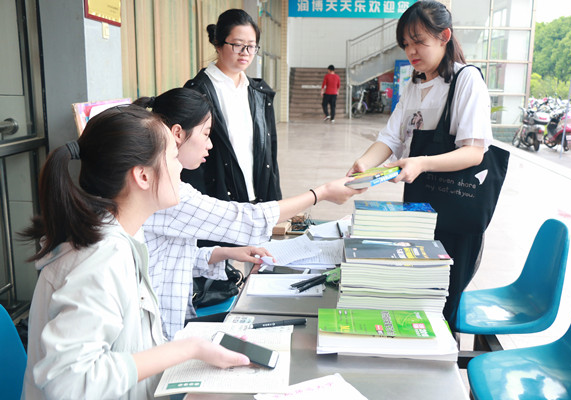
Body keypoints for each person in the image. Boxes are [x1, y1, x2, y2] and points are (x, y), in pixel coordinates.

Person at [20, 106, 250, 399]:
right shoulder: (102, 258)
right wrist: (187, 349)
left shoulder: (121, 235)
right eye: (172, 157)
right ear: (142, 176)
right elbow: (69, 382)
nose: (180, 169)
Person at [135, 88, 365, 340]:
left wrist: (226, 253)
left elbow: (168, 255)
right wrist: (321, 193)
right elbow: (245, 219)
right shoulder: (164, 192)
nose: (210, 144)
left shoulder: (166, 187)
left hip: (172, 325)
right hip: (158, 336)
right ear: (177, 134)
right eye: (206, 134)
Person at [347, 0, 493, 329]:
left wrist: (421, 163)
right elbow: (391, 137)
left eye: (419, 41)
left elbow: (473, 153)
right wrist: (364, 165)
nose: (411, 51)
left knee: (444, 301)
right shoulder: (413, 85)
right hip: (419, 210)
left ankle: (446, 355)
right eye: (406, 44)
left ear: (445, 36)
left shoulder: (466, 80)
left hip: (455, 210)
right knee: (418, 292)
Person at [183, 8, 279, 204]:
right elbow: (188, 160)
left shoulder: (259, 92)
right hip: (216, 204)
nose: (245, 53)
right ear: (218, 44)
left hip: (257, 200)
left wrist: (275, 204)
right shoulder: (197, 92)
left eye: (251, 46)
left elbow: (270, 156)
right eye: (237, 45)